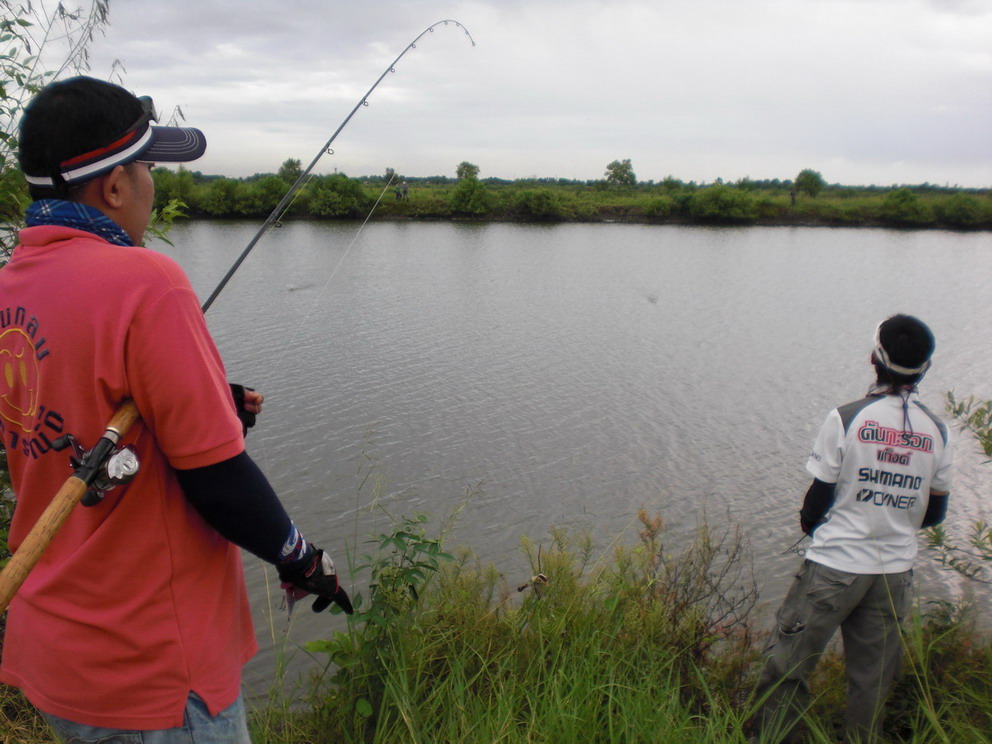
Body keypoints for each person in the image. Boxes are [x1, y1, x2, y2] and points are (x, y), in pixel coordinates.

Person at [0, 76, 351, 742]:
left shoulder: (10, 286)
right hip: (152, 670)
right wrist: (299, 556)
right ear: (113, 188)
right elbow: (217, 478)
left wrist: (208, 405)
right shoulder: (145, 280)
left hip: (56, 650)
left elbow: (69, 415)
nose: (153, 185)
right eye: (148, 168)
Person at [753, 314, 953, 743]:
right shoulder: (936, 430)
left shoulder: (846, 418)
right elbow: (934, 515)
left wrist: (812, 524)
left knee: (786, 666)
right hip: (894, 573)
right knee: (872, 681)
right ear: (924, 368)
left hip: (833, 568)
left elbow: (818, 499)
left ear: (873, 359)